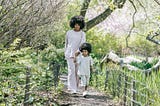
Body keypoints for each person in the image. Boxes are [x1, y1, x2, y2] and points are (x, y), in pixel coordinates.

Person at [64, 15, 86, 93]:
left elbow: (82, 43)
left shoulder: (82, 34)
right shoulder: (69, 33)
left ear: (81, 25)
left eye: (78, 24)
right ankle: (71, 88)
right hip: (69, 54)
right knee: (71, 70)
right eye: (76, 24)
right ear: (73, 24)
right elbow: (66, 44)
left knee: (77, 72)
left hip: (78, 54)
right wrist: (65, 53)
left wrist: (78, 51)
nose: (77, 26)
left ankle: (76, 88)